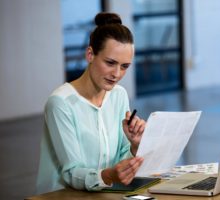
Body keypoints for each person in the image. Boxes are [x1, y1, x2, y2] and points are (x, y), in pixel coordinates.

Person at [36, 12, 146, 194]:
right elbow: (72, 173)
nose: (117, 74)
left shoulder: (118, 95)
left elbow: (121, 161)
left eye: (125, 66)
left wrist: (134, 145)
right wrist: (109, 176)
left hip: (104, 194)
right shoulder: (60, 103)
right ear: (90, 54)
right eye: (110, 63)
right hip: (63, 196)